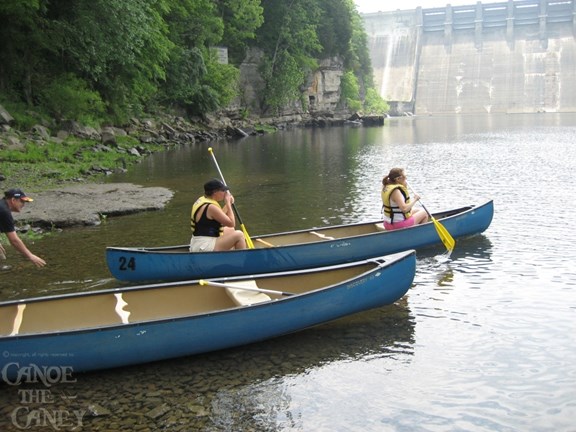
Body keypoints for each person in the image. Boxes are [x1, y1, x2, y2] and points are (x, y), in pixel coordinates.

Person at [189, 179, 247, 252]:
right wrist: (228, 204)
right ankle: (240, 261)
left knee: (230, 230)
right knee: (239, 235)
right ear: (215, 192)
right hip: (204, 246)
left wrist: (227, 204)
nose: (225, 193)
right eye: (223, 190)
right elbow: (231, 223)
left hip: (198, 242)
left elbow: (218, 216)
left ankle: (228, 256)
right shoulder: (211, 207)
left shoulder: (203, 200)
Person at [0, 188, 47, 268]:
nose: (23, 204)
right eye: (21, 201)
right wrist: (30, 256)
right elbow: (14, 240)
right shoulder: (4, 212)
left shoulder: (2, 206)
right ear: (13, 200)